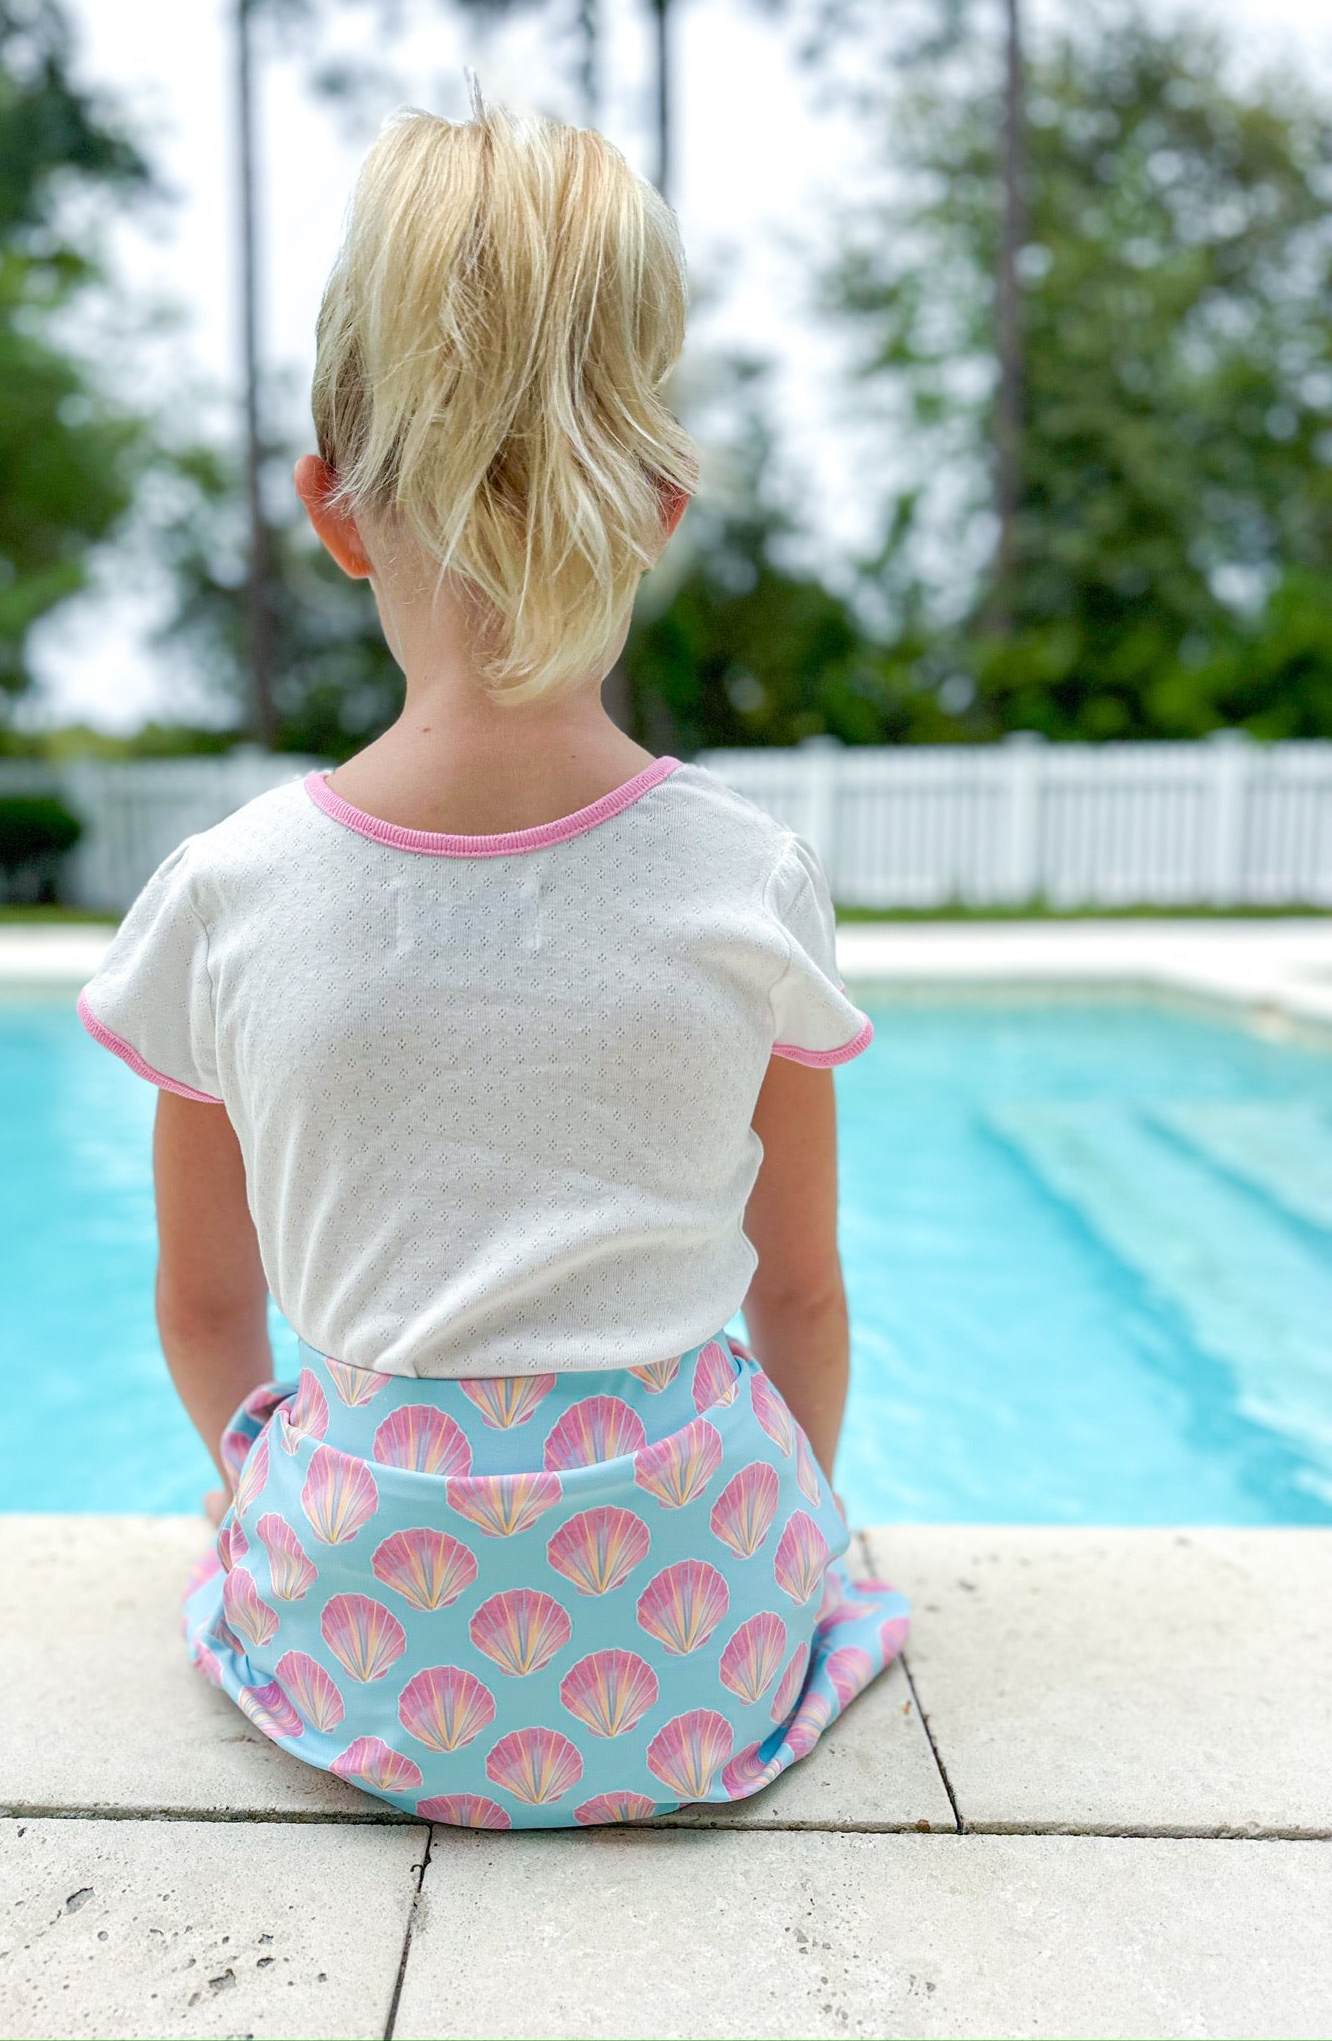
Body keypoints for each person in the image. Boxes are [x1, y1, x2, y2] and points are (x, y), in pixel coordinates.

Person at [77, 88, 908, 1830]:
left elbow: (206, 1309)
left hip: (370, 1638)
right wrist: (772, 1531)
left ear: (336, 509)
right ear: (663, 508)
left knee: (261, 1526)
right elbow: (803, 1300)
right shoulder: (748, 881)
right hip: (696, 1643)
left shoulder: (229, 894)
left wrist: (273, 1511)